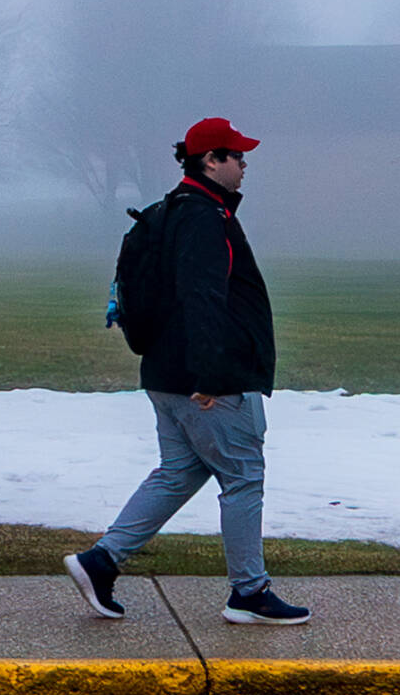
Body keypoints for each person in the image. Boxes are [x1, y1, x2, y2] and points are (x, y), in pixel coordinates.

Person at [64, 115, 311, 627]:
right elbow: (203, 298)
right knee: (244, 477)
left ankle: (100, 561)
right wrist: (209, 376)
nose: (244, 165)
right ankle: (249, 592)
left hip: (162, 372)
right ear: (210, 161)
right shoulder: (203, 217)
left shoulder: (165, 212)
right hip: (208, 380)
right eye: (236, 156)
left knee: (179, 472)